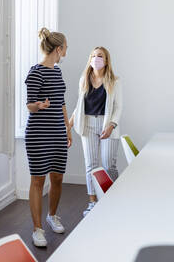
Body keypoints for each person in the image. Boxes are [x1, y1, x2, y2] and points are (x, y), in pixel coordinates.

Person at [25, 27, 72, 247]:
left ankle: (52, 216)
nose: (66, 52)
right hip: (38, 134)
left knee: (57, 177)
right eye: (65, 48)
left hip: (56, 133)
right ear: (58, 48)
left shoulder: (57, 72)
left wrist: (67, 128)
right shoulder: (35, 72)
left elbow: (61, 101)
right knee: (38, 180)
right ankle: (37, 229)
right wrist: (39, 105)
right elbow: (29, 106)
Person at [69, 46, 122, 216]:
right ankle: (92, 202)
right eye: (93, 56)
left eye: (100, 56)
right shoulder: (84, 79)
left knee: (108, 165)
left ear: (106, 60)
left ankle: (112, 199)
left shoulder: (115, 81)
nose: (96, 59)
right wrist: (69, 124)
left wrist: (111, 125)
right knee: (91, 165)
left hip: (107, 125)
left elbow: (118, 107)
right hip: (88, 125)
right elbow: (79, 105)